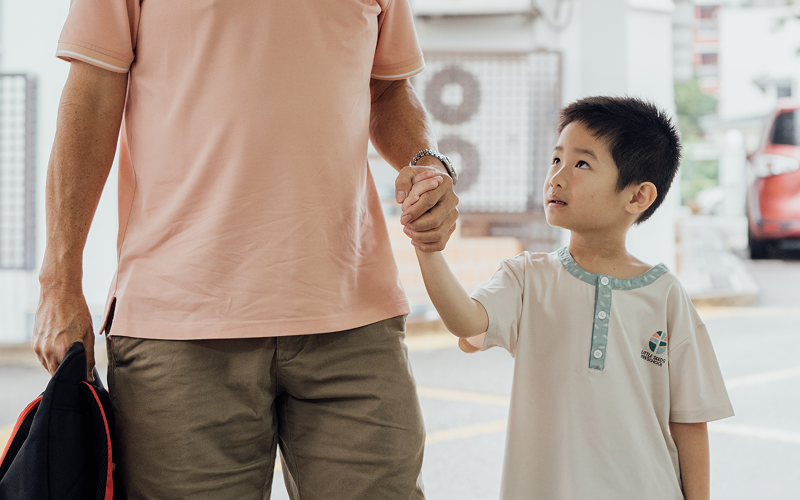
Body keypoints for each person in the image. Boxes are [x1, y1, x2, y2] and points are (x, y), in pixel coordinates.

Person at [31, 1, 459, 498]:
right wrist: (58, 283)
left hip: (354, 319)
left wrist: (428, 164)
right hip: (181, 327)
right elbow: (92, 95)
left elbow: (387, 88)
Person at [403, 96, 734, 500]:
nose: (556, 177)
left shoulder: (665, 295)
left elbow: (690, 421)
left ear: (637, 197)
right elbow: (466, 321)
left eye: (581, 164)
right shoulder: (526, 276)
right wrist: (428, 247)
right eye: (556, 159)